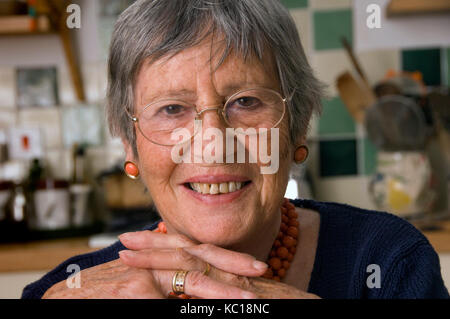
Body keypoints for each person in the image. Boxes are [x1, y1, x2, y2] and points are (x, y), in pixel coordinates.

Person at [22, 0, 449, 299]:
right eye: (172, 108)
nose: (212, 142)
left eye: (246, 102)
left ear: (298, 127)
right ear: (129, 142)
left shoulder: (391, 263)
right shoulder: (65, 291)